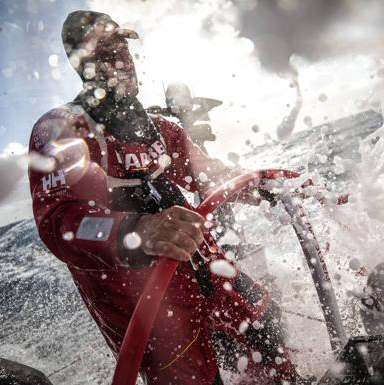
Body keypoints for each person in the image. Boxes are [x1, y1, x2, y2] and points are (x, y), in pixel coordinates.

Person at [28, 10, 306, 385]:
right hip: (141, 299)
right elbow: (61, 222)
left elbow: (210, 174)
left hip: (202, 265)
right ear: (82, 64)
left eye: (123, 47)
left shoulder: (162, 130)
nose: (122, 61)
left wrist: (268, 187)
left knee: (264, 325)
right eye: (105, 52)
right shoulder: (63, 129)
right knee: (193, 377)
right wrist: (138, 231)